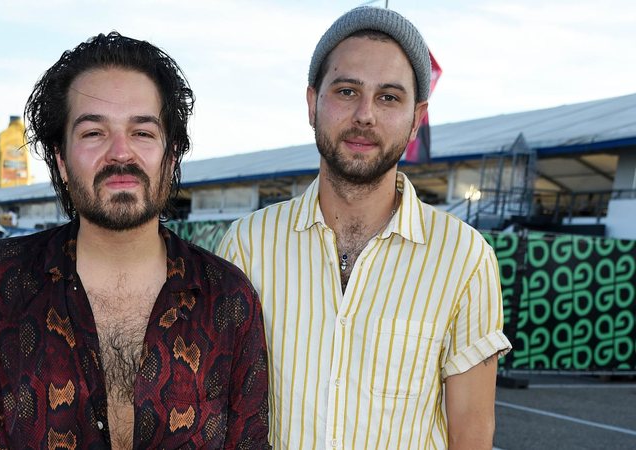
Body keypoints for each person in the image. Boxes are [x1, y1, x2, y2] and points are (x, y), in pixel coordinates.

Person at [0, 32, 269, 449]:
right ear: (61, 161)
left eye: (142, 132)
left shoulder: (229, 298)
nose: (120, 153)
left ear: (171, 155)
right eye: (93, 133)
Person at [217, 6, 511, 450]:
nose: (365, 115)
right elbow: (216, 409)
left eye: (389, 97)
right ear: (312, 102)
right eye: (347, 90)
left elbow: (471, 435)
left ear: (417, 118)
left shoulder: (465, 256)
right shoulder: (247, 245)